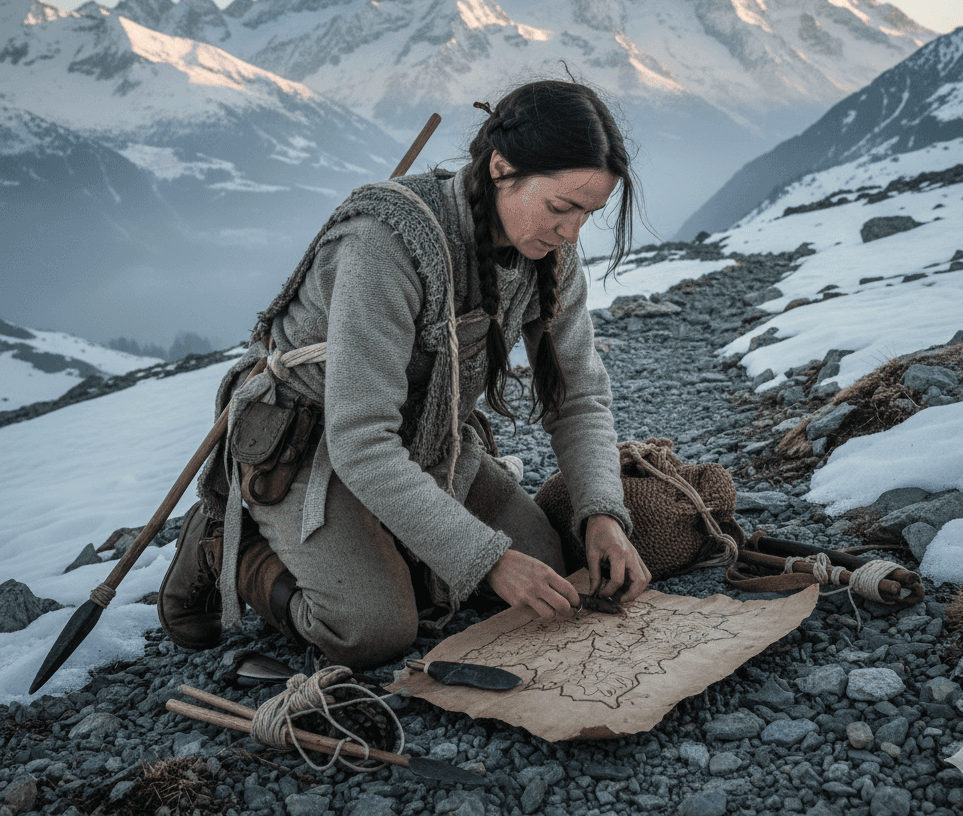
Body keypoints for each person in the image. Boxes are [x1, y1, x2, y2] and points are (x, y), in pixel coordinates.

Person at [158, 79, 652, 669]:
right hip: (311, 450)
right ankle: (230, 552)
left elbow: (578, 400)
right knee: (372, 630)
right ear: (502, 168)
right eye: (561, 208)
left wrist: (601, 513)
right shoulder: (385, 243)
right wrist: (485, 560)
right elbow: (361, 443)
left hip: (427, 445)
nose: (572, 234)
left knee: (543, 556)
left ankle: (389, 549)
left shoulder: (546, 254)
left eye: (588, 214)